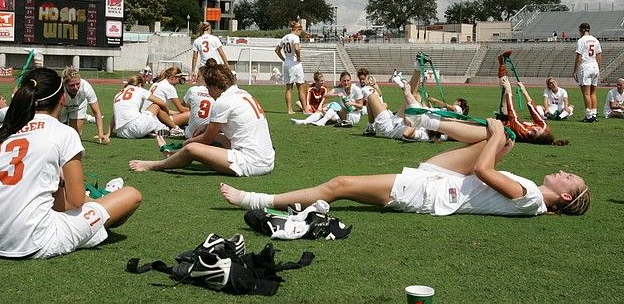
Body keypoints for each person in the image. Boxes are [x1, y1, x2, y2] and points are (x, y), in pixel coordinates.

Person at [220, 118, 590, 217]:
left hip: (434, 194)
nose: (563, 171)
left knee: (340, 184)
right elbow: (483, 172)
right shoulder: (531, 196)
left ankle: (257, 199)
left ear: (566, 195)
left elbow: (483, 172)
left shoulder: (530, 199)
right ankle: (426, 120)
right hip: (447, 181)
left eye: (568, 177)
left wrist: (493, 139)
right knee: (505, 139)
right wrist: (499, 139)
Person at [0, 67, 142, 259]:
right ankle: (99, 208)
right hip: (30, 240)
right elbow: (75, 202)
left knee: (57, 185)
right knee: (131, 195)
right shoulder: (63, 132)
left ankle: (95, 206)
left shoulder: (3, 131)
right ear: (62, 98)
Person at [129, 59, 275, 177]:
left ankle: (155, 165)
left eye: (208, 89)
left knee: (192, 148)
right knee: (220, 138)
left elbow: (206, 139)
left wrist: (186, 142)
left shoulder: (223, 102)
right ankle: (175, 155)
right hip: (267, 159)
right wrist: (206, 127)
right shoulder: (244, 94)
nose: (209, 94)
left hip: (251, 163)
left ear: (214, 87)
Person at [496, 51, 565, 145]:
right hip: (513, 120)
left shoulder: (523, 133)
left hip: (505, 124)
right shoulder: (544, 127)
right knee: (506, 88)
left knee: (505, 92)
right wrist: (524, 91)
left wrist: (509, 91)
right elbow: (534, 111)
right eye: (539, 129)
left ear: (533, 138)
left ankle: (501, 64)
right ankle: (502, 63)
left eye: (535, 132)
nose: (535, 128)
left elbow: (513, 117)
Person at [106, 75, 183, 139]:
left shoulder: (118, 94)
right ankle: (175, 129)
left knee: (145, 117)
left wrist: (108, 133)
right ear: (139, 84)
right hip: (137, 126)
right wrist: (166, 115)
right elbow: (162, 103)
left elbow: (115, 115)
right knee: (156, 105)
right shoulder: (139, 89)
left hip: (123, 133)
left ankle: (153, 132)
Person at [59, 67, 108, 144]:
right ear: (65, 84)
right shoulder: (58, 88)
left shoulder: (86, 87)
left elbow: (97, 112)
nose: (76, 87)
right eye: (72, 85)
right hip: (61, 107)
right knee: (59, 135)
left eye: (78, 84)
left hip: (78, 106)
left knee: (75, 137)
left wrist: (100, 134)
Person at [275, 20, 308, 114]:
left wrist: (284, 59)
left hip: (287, 63)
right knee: (300, 87)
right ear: (297, 29)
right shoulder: (295, 37)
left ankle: (289, 110)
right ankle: (305, 110)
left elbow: (277, 50)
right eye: (300, 30)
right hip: (295, 64)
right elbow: (296, 48)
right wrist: (298, 57)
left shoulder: (284, 38)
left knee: (289, 88)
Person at [573, 22, 602, 123]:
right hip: (594, 66)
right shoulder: (595, 40)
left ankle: (589, 116)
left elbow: (579, 56)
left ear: (581, 30)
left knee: (586, 93)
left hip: (585, 67)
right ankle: (594, 114)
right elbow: (599, 55)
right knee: (593, 92)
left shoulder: (581, 40)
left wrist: (575, 70)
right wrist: (598, 68)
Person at [182, 66, 215, 138]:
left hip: (191, 133)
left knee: (188, 114)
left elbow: (182, 106)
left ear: (205, 78)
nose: (196, 78)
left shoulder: (193, 90)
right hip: (209, 133)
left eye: (198, 76)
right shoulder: (216, 93)